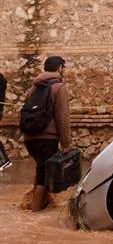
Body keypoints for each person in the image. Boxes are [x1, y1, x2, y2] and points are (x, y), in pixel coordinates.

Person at [22, 56, 73, 211]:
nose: (63, 70)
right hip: (47, 139)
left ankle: (40, 203)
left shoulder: (33, 88)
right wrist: (66, 144)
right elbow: (62, 118)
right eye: (63, 68)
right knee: (44, 175)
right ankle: (34, 213)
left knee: (41, 170)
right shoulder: (58, 87)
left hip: (29, 138)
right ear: (59, 68)